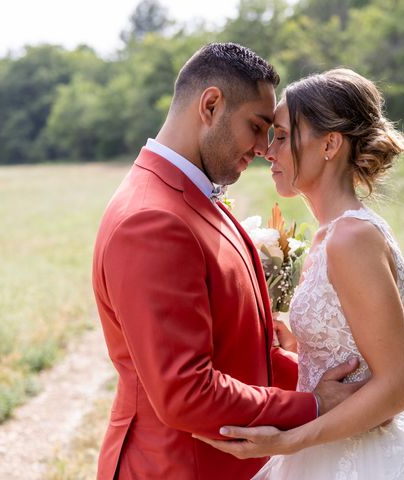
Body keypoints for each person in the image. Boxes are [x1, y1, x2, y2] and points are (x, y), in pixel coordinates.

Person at [194, 69, 404, 479]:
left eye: (280, 135)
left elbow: (400, 386)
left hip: (364, 455)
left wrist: (288, 441)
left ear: (330, 143)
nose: (266, 149)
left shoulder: (352, 238)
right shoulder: (329, 236)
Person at [91, 44, 363, 480]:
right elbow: (188, 393)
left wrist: (329, 380)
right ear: (211, 105)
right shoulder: (152, 221)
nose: (262, 147)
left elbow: (241, 352)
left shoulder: (191, 194)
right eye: (256, 126)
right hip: (178, 466)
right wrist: (313, 405)